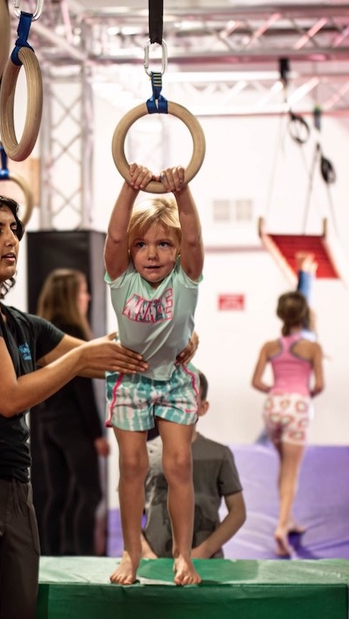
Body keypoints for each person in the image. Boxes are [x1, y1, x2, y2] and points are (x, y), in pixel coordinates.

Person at [0, 191, 187, 619]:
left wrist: (179, 336)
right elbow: (8, 397)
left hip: (12, 485)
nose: (11, 240)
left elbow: (115, 354)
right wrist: (79, 360)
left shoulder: (19, 323)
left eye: (13, 230)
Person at [105, 164, 204, 587]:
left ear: (178, 251)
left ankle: (183, 555)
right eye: (142, 244)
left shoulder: (185, 278)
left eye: (164, 244)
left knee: (179, 464)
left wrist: (182, 194)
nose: (152, 253)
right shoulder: (122, 279)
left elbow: (194, 238)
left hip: (175, 378)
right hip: (132, 378)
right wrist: (130, 189)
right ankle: (131, 552)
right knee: (132, 464)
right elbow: (114, 238)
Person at [31, 268, 109, 556]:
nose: (87, 297)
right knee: (91, 494)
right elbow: (82, 390)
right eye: (83, 291)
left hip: (48, 425)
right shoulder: (70, 335)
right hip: (73, 426)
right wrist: (97, 434)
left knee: (60, 495)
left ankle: (50, 556)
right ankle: (84, 556)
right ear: (70, 297)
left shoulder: (43, 333)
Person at [140, 371, 246, 561]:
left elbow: (238, 511)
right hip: (154, 560)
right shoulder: (146, 453)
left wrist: (205, 550)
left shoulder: (219, 454)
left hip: (206, 563)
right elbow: (129, 508)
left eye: (188, 398)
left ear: (202, 407)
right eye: (172, 397)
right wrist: (144, 551)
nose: (179, 405)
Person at [251, 291, 325, 557]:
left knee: (284, 465)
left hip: (274, 407)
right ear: (304, 315)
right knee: (291, 470)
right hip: (298, 407)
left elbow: (256, 382)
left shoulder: (269, 346)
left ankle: (288, 517)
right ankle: (282, 527)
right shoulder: (312, 348)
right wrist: (303, 395)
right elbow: (319, 385)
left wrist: (276, 391)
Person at [255, 251, 318, 445]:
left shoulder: (274, 345)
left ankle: (306, 272)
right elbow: (301, 308)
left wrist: (277, 390)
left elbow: (256, 381)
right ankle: (306, 272)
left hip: (278, 401)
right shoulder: (307, 341)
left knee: (268, 438)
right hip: (298, 401)